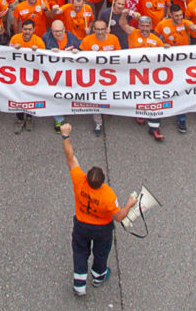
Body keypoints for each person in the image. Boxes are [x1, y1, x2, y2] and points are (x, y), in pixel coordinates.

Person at [59, 122, 137, 297]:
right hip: (102, 228)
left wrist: (65, 136)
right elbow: (119, 217)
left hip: (81, 224)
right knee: (101, 252)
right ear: (102, 181)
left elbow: (70, 156)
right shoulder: (108, 195)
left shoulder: (79, 181)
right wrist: (129, 204)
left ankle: (79, 284)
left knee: (80, 252)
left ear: (87, 177)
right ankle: (98, 276)